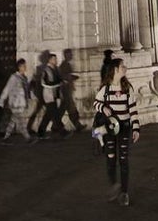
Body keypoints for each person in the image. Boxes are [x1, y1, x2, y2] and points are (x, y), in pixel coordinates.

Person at [93, 57, 141, 206]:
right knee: (111, 157)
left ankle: (124, 192)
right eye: (122, 66)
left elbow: (132, 109)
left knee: (124, 159)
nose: (125, 68)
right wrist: (103, 107)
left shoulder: (128, 88)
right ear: (115, 70)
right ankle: (114, 185)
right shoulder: (105, 89)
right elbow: (96, 103)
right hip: (110, 129)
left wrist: (136, 128)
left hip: (124, 127)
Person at [0, 57, 35, 143]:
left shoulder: (24, 78)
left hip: (21, 102)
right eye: (23, 66)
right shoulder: (14, 77)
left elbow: (26, 90)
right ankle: (28, 137)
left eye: (25, 65)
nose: (25, 67)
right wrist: (2, 99)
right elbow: (7, 88)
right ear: (19, 67)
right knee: (21, 121)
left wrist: (30, 97)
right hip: (15, 102)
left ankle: (6, 137)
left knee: (13, 120)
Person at [35, 51, 66, 139]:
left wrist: (62, 81)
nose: (56, 61)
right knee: (55, 114)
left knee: (48, 115)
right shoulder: (45, 70)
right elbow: (45, 83)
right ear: (50, 60)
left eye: (56, 59)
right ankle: (62, 131)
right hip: (49, 95)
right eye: (54, 59)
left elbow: (59, 80)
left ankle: (41, 132)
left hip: (55, 95)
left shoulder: (56, 69)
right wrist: (59, 83)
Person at [58, 48, 85, 132]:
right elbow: (65, 77)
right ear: (66, 55)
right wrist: (73, 77)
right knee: (71, 108)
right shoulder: (64, 65)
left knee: (64, 108)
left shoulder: (66, 65)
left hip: (68, 89)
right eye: (70, 54)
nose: (71, 56)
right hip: (66, 89)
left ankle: (57, 124)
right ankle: (77, 125)